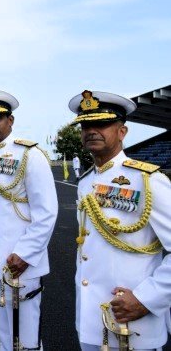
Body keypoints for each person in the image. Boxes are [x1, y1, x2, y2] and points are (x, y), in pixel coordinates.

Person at [68, 90, 171, 351]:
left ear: (122, 132)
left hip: (134, 323)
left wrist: (146, 299)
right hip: (92, 320)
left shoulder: (148, 181)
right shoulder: (86, 182)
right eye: (85, 125)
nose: (91, 130)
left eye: (101, 123)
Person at [0, 90, 58, 351]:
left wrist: (25, 254)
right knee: (6, 339)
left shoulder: (30, 155)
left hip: (21, 264)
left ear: (10, 120)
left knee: (26, 341)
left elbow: (47, 211)